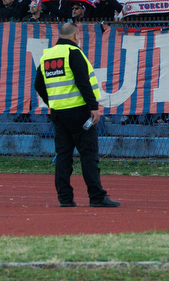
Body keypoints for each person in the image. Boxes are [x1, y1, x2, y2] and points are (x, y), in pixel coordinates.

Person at [33, 21, 119, 208]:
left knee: (63, 155)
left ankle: (65, 198)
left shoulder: (47, 56)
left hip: (58, 113)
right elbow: (83, 82)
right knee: (88, 155)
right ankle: (96, 197)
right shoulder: (74, 53)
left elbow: (38, 85)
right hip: (80, 112)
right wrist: (93, 107)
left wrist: (53, 102)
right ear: (75, 36)